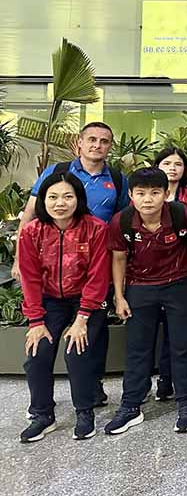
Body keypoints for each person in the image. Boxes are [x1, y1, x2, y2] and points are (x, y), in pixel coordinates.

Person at [14, 121, 129, 408]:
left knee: (93, 341)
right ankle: (41, 408)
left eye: (104, 141)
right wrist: (19, 258)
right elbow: (29, 215)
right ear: (79, 142)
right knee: (41, 349)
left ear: (110, 146)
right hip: (54, 271)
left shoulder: (115, 177)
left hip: (94, 268)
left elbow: (121, 222)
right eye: (91, 139)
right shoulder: (57, 173)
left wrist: (119, 278)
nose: (97, 145)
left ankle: (92, 390)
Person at [103, 168, 187, 436]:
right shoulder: (122, 221)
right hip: (140, 286)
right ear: (131, 195)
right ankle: (130, 406)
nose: (148, 199)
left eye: (154, 193)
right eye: (140, 193)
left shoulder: (183, 214)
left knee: (182, 346)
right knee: (138, 348)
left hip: (179, 283)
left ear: (166, 194)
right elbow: (118, 258)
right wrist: (119, 296)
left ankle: (185, 402)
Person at [18, 173, 110, 442]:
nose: (60, 203)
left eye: (67, 196)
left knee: (76, 350)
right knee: (37, 352)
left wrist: (81, 319)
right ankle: (42, 414)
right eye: (53, 197)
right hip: (49, 302)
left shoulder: (95, 228)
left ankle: (84, 412)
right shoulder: (32, 232)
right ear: (43, 200)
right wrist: (35, 322)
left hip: (87, 300)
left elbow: (98, 276)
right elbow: (30, 277)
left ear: (78, 199)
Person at [150, 146, 187, 402]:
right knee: (158, 327)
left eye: (178, 164)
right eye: (167, 163)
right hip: (148, 273)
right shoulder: (146, 195)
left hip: (185, 270)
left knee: (180, 329)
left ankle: (179, 381)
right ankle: (164, 377)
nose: (173, 168)